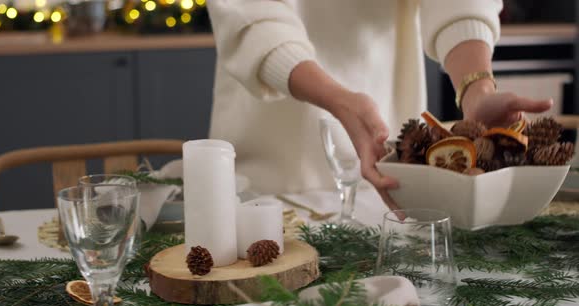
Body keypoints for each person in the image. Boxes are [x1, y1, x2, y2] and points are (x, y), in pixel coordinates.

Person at [206, 0, 552, 200]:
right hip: (270, 175)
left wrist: (476, 89)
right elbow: (250, 16)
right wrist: (338, 99)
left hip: (387, 174)